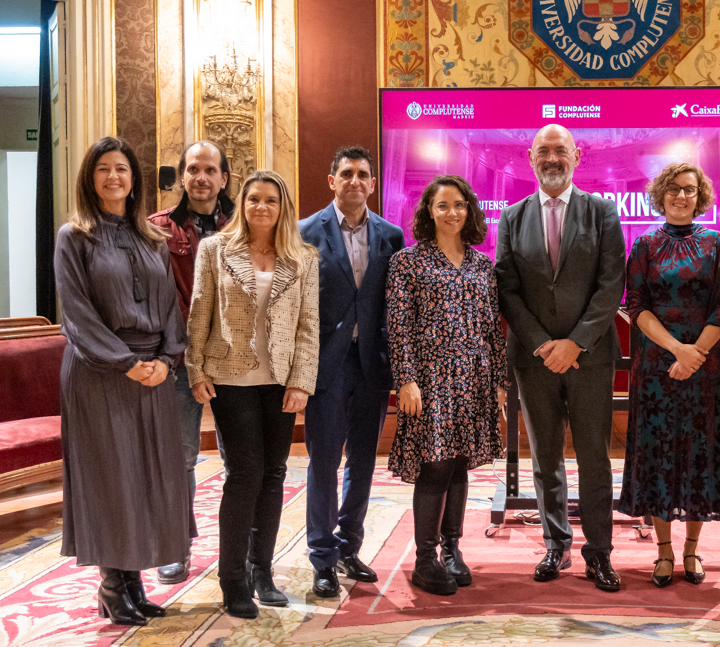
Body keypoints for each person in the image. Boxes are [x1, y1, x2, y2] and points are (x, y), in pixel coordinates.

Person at [54, 136, 191, 626]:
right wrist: (122, 361)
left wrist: (168, 360)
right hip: (99, 373)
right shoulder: (74, 236)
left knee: (146, 477)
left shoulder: (151, 237)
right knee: (112, 478)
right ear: (90, 178)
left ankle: (133, 582)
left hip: (151, 372)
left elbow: (174, 307)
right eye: (103, 169)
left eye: (122, 169)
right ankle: (113, 587)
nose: (114, 177)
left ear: (134, 179)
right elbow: (76, 314)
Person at [494, 124, 627, 591]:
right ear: (531, 157)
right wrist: (542, 343)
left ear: (577, 156)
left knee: (595, 457)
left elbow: (612, 285)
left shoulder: (602, 212)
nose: (552, 158)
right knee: (545, 457)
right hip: (534, 360)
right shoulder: (511, 217)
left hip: (589, 358)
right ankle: (556, 544)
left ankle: (599, 552)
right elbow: (507, 287)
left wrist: (575, 343)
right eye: (544, 151)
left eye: (560, 151)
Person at [186, 169, 320, 620]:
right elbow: (200, 310)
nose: (262, 207)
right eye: (254, 199)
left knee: (275, 473)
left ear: (284, 208)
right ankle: (233, 579)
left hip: (280, 380)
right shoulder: (215, 250)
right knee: (245, 473)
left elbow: (308, 324)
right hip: (230, 376)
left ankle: (262, 570)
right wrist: (195, 368)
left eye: (271, 200)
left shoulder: (303, 257)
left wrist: (302, 380)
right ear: (241, 204)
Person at [619, 163, 720, 588]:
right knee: (659, 454)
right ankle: (664, 552)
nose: (681, 196)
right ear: (661, 195)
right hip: (656, 366)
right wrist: (678, 351)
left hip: (706, 368)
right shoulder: (645, 245)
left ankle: (691, 550)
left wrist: (697, 354)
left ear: (700, 195)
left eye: (689, 189)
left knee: (697, 454)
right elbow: (637, 307)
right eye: (673, 189)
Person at [386, 175, 507, 595]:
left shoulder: (482, 266)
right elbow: (398, 326)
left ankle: (452, 551)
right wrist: (406, 380)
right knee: (434, 465)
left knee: (459, 463)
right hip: (430, 381)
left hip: (473, 379)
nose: (452, 212)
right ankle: (425, 559)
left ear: (470, 210)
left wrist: (498, 381)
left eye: (460, 205)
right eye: (443, 205)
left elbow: (493, 329)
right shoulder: (408, 262)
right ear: (428, 212)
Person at [299, 146, 405, 598]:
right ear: (332, 180)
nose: (355, 181)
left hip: (371, 365)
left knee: (362, 462)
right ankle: (321, 556)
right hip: (326, 363)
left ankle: (349, 546)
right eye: (347, 173)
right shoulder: (304, 232)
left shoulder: (391, 236)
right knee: (324, 461)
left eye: (363, 174)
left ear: (373, 183)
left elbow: (394, 305)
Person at [148, 140, 234, 584]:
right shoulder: (157, 229)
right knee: (178, 458)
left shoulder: (245, 224)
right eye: (193, 169)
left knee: (239, 460)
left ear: (224, 177)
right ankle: (174, 548)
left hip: (237, 363)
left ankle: (240, 554)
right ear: (182, 175)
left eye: (210, 170)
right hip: (180, 362)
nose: (201, 177)